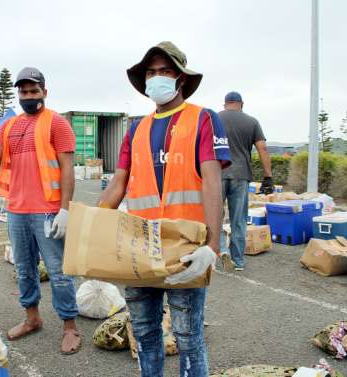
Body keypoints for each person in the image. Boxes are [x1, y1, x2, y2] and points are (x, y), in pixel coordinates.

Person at [99, 41, 230, 377]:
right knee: (144, 333)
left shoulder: (203, 119)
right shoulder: (135, 129)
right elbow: (118, 183)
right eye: (151, 72)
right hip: (140, 248)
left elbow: (212, 181)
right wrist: (90, 221)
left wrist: (212, 247)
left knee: (188, 337)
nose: (156, 78)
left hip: (186, 249)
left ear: (180, 79)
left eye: (164, 71)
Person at [0, 67, 81, 355]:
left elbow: (67, 169)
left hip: (48, 211)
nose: (28, 96)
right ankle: (32, 318)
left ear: (44, 92)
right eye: (23, 92)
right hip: (17, 210)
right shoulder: (9, 127)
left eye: (33, 91)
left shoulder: (57, 124)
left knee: (59, 271)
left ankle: (70, 326)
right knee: (24, 270)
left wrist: (65, 209)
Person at [218, 91, 273, 271]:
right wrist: (268, 177)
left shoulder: (214, 119)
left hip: (216, 174)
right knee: (239, 219)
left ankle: (221, 249)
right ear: (242, 104)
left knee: (214, 216)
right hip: (241, 175)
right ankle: (238, 261)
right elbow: (262, 148)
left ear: (225, 104)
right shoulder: (252, 121)